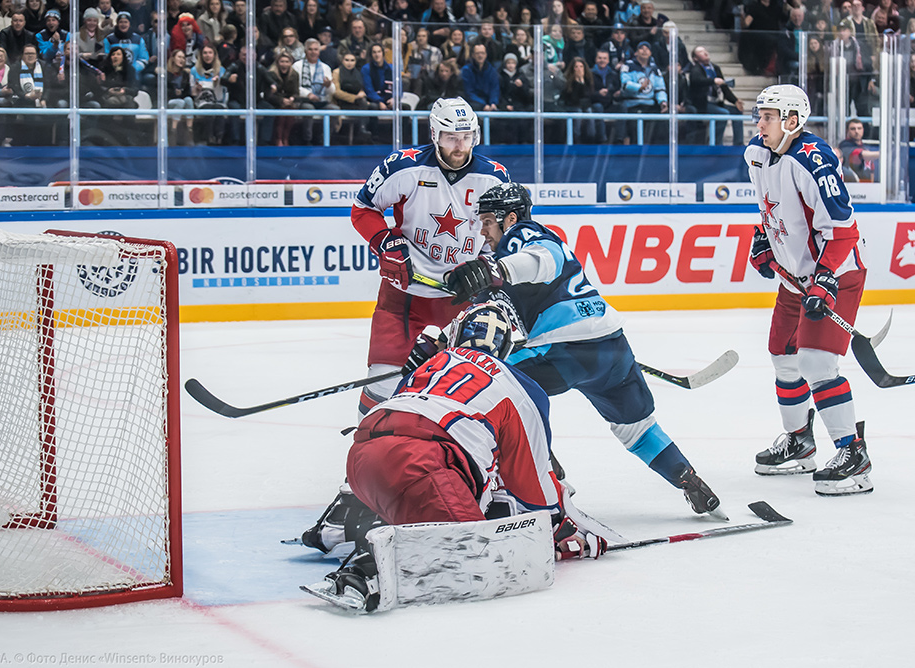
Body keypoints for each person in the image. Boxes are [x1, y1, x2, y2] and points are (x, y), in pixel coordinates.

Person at [444, 182, 725, 517]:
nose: (484, 231)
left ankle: (542, 471)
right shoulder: (499, 264)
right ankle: (688, 480)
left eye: (488, 221)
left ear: (511, 218)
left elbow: (545, 259)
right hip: (612, 349)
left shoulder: (522, 235)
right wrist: (444, 334)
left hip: (564, 352)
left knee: (489, 385)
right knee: (636, 428)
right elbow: (485, 310)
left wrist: (495, 270)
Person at [309, 303, 608, 611]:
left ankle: (350, 519)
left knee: (432, 495)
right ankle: (366, 573)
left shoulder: (432, 363)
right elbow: (531, 487)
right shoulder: (522, 387)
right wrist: (558, 530)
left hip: (362, 461)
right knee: (475, 559)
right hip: (421, 466)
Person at [745, 84, 871, 496]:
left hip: (836, 272)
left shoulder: (813, 161)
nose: (758, 123)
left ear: (792, 121)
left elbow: (842, 231)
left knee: (817, 365)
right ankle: (800, 442)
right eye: (759, 115)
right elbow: (769, 208)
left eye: (767, 116)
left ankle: (854, 455)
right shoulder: (757, 154)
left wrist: (825, 280)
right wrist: (762, 238)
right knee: (783, 356)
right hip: (795, 278)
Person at [350, 97, 511, 415]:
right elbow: (363, 210)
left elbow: (507, 234)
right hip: (403, 297)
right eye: (451, 137)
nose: (460, 146)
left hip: (464, 299)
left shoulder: (494, 178)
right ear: (435, 134)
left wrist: (487, 265)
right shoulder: (403, 167)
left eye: (467, 137)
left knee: (469, 389)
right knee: (381, 386)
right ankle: (367, 451)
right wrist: (385, 243)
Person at [689, 45, 744, 146]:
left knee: (736, 111)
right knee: (723, 114)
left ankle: (738, 143)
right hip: (704, 103)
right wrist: (713, 81)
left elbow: (724, 87)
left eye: (705, 50)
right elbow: (697, 80)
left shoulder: (715, 68)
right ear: (695, 58)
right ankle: (716, 143)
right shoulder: (695, 69)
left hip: (717, 101)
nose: (705, 53)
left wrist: (735, 101)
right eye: (701, 52)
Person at [294, 37, 337, 145]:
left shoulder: (325, 67)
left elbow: (332, 91)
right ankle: (307, 140)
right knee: (309, 109)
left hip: (321, 101)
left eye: (316, 49)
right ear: (305, 51)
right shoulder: (297, 66)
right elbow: (294, 87)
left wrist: (329, 85)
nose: (313, 52)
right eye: (310, 49)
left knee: (334, 110)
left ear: (319, 51)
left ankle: (324, 139)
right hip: (304, 100)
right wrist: (308, 94)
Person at [838, 117, 879, 181]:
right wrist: (881, 153)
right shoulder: (845, 145)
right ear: (847, 131)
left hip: (866, 186)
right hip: (851, 185)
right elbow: (859, 154)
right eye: (853, 129)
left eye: (859, 128)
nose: (856, 131)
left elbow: (871, 170)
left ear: (863, 130)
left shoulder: (864, 147)